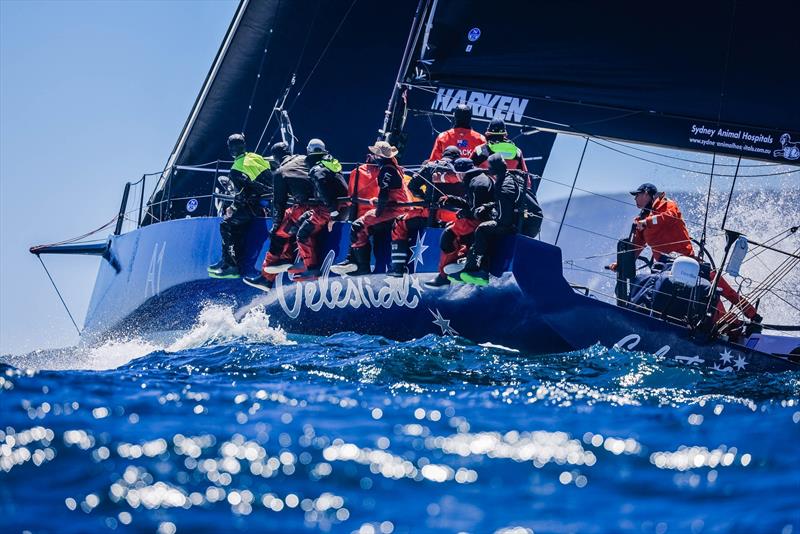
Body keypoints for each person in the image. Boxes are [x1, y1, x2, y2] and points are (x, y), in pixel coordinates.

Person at [611, 182, 758, 332]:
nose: (635, 199)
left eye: (637, 195)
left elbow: (670, 217)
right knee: (705, 293)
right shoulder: (641, 220)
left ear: (647, 194)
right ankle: (722, 324)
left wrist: (647, 222)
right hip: (665, 267)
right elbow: (636, 247)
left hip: (689, 262)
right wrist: (620, 263)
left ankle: (753, 317)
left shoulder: (667, 205)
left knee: (718, 285)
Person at [454, 154, 543, 285]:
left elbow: (504, 220)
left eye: (489, 167)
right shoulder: (506, 177)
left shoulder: (504, 187)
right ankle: (475, 267)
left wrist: (491, 218)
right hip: (528, 220)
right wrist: (486, 207)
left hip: (525, 225)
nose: (487, 169)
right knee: (489, 225)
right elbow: (505, 204)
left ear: (493, 169)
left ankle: (476, 271)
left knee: (483, 229)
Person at [243, 140, 316, 291]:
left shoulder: (280, 172)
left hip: (307, 208)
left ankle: (267, 275)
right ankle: (284, 259)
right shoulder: (304, 159)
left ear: (276, 158)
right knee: (289, 218)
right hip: (322, 204)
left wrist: (275, 226)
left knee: (279, 232)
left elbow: (278, 204)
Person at [332, 141, 410, 276]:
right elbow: (390, 193)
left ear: (379, 156)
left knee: (358, 225)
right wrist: (377, 202)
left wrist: (378, 211)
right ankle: (354, 261)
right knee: (364, 226)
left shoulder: (386, 169)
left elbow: (385, 193)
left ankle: (361, 266)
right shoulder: (394, 167)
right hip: (394, 208)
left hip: (393, 211)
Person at [388, 145, 462, 277]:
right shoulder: (462, 170)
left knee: (399, 223)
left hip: (430, 214)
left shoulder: (430, 166)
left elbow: (412, 186)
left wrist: (424, 198)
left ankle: (398, 267)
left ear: (443, 155)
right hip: (455, 217)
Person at [208, 133, 271, 279]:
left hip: (254, 205)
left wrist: (232, 208)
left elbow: (242, 196)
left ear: (231, 149)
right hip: (267, 201)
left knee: (226, 224)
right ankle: (226, 260)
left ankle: (231, 265)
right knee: (236, 221)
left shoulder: (236, 169)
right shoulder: (256, 157)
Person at [425, 158, 495, 287]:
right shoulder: (476, 178)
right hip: (480, 219)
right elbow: (471, 204)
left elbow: (477, 211)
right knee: (452, 227)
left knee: (448, 234)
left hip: (481, 221)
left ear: (460, 173)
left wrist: (464, 213)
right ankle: (459, 262)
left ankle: (443, 277)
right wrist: (451, 199)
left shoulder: (477, 184)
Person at [290, 146, 349, 280]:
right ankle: (304, 260)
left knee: (302, 234)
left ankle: (312, 269)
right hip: (341, 205)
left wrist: (333, 214)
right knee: (299, 222)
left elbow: (324, 191)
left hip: (330, 209)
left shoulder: (317, 170)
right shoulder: (331, 164)